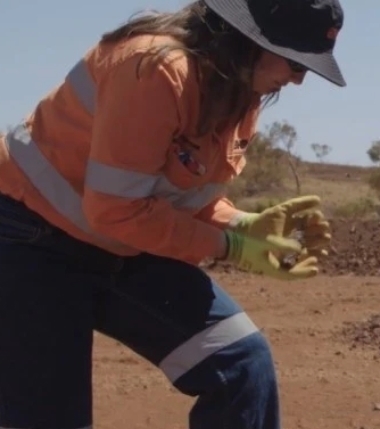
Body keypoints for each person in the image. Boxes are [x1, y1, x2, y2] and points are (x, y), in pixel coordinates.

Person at [0, 0, 346, 427]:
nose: (297, 80)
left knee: (241, 362)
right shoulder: (154, 68)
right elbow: (118, 209)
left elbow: (178, 196)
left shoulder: (240, 92)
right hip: (30, 240)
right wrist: (231, 246)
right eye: (295, 63)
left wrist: (244, 225)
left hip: (120, 247)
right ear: (247, 40)